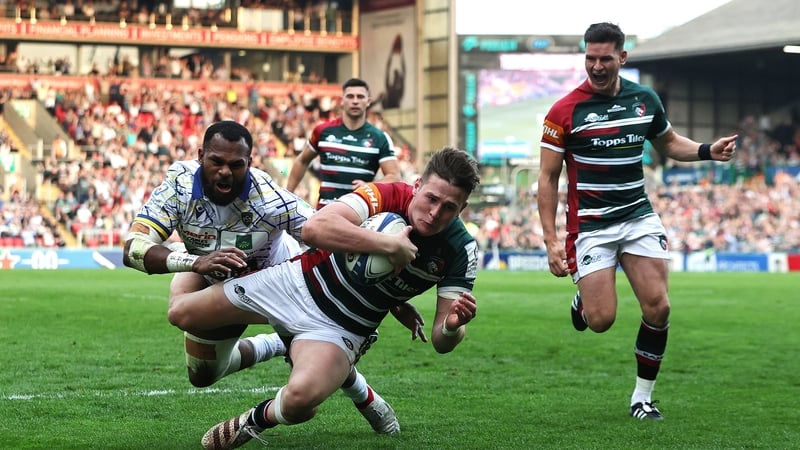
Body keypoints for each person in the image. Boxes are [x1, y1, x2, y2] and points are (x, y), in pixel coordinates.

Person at [167, 146, 481, 449]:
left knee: (300, 401)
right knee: (181, 314)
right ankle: (285, 345)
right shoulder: (388, 194)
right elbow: (316, 228)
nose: (435, 212)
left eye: (450, 207)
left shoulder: (461, 250)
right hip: (296, 284)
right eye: (431, 198)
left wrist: (453, 326)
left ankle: (255, 418)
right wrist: (387, 246)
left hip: (344, 327)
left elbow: (441, 341)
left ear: (462, 209)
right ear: (417, 186)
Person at [122, 120, 421, 435]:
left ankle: (361, 392)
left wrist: (393, 301)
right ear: (200, 156)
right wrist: (195, 262)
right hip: (213, 273)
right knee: (202, 375)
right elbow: (133, 248)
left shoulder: (269, 198)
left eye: (236, 165)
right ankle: (279, 343)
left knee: (307, 391)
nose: (225, 172)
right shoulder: (178, 186)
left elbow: (325, 235)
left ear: (249, 163)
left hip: (281, 288)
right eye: (216, 162)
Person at [537, 22, 738, 421]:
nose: (596, 66)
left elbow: (669, 143)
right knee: (600, 321)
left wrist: (705, 150)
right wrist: (550, 240)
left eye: (604, 58)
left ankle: (642, 398)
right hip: (591, 225)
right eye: (590, 58)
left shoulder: (644, 100)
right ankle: (585, 301)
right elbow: (547, 178)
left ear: (622, 58)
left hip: (637, 216)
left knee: (659, 307)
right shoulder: (562, 112)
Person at [286, 77, 402, 208]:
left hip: (360, 212)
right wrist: (287, 195)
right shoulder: (323, 131)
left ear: (368, 101)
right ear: (342, 100)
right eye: (350, 96)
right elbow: (302, 160)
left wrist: (371, 187)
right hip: (325, 210)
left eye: (360, 97)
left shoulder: (380, 138)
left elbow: (394, 176)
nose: (355, 101)